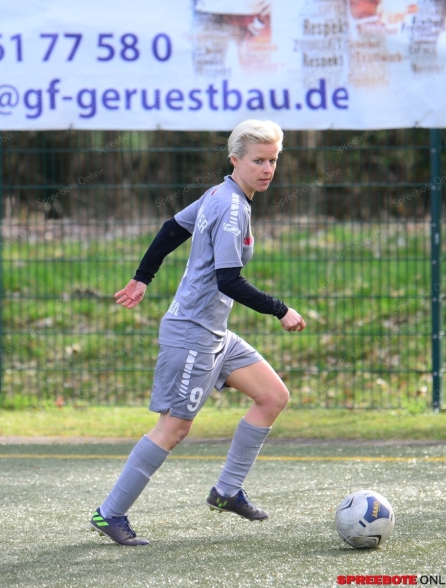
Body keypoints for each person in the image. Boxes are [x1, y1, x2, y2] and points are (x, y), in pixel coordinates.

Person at [90, 119, 306, 546]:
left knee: (272, 396)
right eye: (258, 160)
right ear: (235, 161)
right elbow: (229, 279)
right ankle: (109, 513)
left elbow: (173, 228)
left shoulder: (220, 194)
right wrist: (280, 310)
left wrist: (142, 278)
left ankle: (226, 491)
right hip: (192, 334)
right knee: (173, 429)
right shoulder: (229, 205)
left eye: (273, 160)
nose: (267, 169)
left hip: (216, 333)